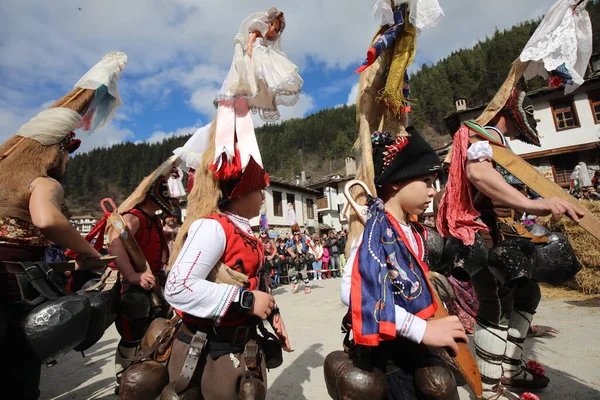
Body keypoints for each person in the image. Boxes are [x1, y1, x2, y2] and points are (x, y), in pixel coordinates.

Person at [437, 88, 584, 400]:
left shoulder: (495, 142)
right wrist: (533, 205)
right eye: (519, 123)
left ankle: (511, 369)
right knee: (495, 303)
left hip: (501, 234)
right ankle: (490, 388)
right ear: (510, 114)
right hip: (480, 233)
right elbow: (478, 173)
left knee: (528, 293)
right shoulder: (485, 135)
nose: (519, 130)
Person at [0, 52, 126, 400]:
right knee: (18, 375)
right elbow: (47, 219)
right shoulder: (43, 182)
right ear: (57, 152)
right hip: (8, 292)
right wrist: (88, 253)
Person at [163, 118, 292, 399]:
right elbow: (178, 286)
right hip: (210, 350)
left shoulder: (240, 229)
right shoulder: (213, 227)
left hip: (239, 342)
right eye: (259, 190)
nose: (262, 197)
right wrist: (246, 301)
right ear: (240, 192)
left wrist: (271, 309)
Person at [340, 128, 465, 399]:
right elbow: (354, 292)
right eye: (427, 180)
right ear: (397, 181)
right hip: (393, 353)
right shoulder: (376, 232)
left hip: (420, 344)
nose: (433, 191)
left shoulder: (414, 230)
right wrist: (421, 329)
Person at [108, 156, 181, 394]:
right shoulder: (133, 217)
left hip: (156, 282)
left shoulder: (153, 220)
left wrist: (171, 237)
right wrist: (132, 275)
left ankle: (150, 378)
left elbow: (153, 242)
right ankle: (125, 380)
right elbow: (115, 244)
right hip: (137, 285)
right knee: (134, 331)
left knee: (159, 329)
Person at [215, 7, 303, 122]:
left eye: (276, 30)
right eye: (274, 27)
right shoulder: (257, 32)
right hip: (256, 53)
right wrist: (250, 49)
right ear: (268, 24)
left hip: (262, 53)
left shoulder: (265, 40)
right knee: (256, 70)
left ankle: (265, 83)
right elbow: (250, 40)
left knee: (267, 70)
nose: (274, 31)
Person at [285, 223, 317, 294]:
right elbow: (287, 247)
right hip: (295, 258)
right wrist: (292, 253)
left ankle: (307, 286)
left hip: (303, 257)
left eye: (297, 233)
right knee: (290, 272)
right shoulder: (291, 239)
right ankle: (296, 284)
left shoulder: (304, 238)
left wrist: (316, 253)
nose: (296, 235)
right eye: (295, 233)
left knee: (303, 272)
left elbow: (311, 245)